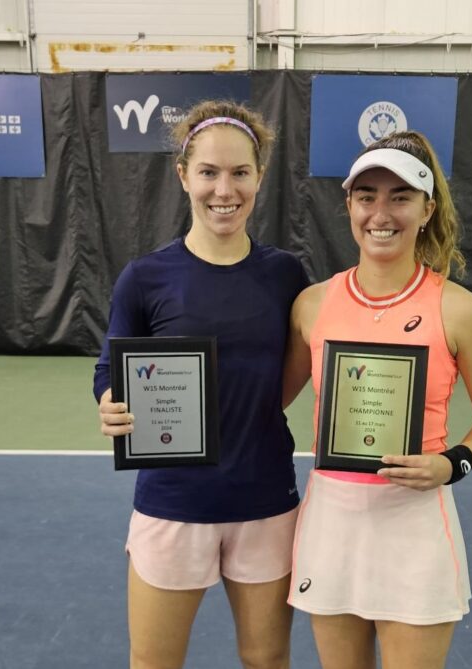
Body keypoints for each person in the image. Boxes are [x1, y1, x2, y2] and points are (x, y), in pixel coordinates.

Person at [282, 131, 472, 669]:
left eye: (400, 197)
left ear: (427, 209)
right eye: (367, 196)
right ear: (349, 205)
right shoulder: (312, 305)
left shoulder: (460, 310)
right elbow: (266, 400)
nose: (380, 213)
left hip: (414, 523)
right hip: (332, 521)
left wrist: (451, 463)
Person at [94, 100, 308, 669]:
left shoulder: (286, 275)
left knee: (267, 661)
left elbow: (293, 371)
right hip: (172, 503)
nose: (224, 189)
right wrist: (110, 405)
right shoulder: (145, 278)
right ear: (183, 175)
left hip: (265, 501)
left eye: (240, 172)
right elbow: (109, 371)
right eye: (209, 172)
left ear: (259, 177)